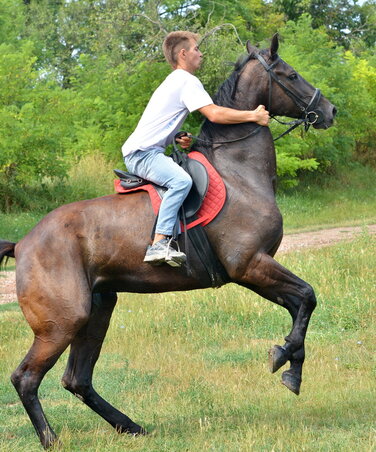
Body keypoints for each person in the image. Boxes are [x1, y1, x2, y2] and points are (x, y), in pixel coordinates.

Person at [122, 31, 270, 267]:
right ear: (183, 53)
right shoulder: (186, 80)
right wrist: (253, 115)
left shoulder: (176, 80)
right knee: (181, 181)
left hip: (147, 151)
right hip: (143, 155)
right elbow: (214, 113)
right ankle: (159, 243)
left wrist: (176, 137)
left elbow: (162, 122)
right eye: (196, 49)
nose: (200, 54)